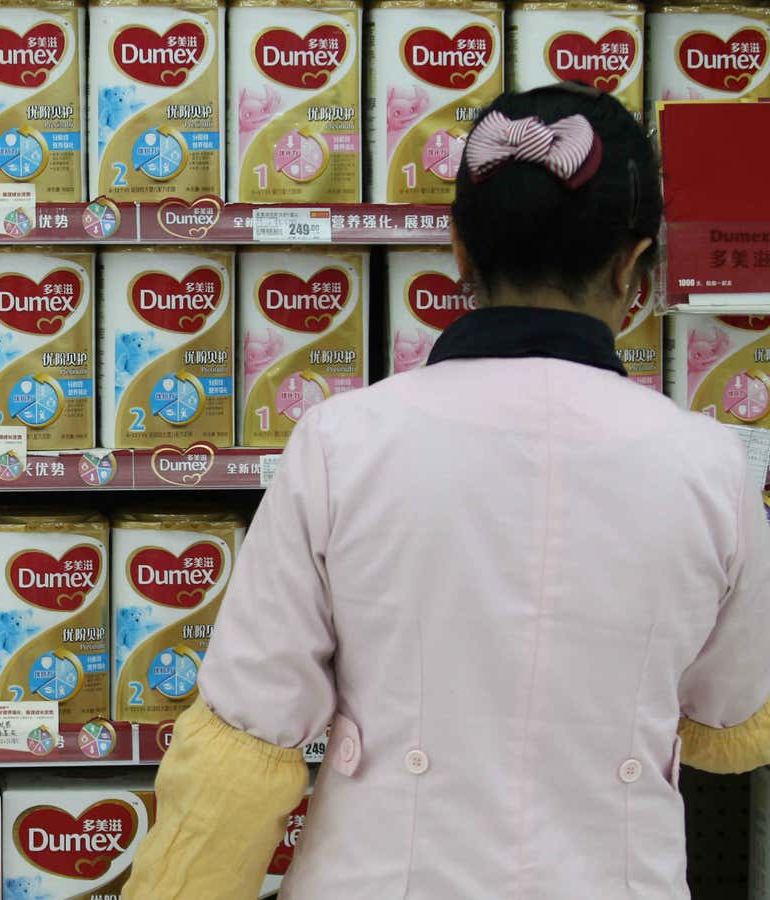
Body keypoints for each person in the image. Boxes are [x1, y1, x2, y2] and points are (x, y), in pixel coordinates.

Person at [124, 83, 770, 898]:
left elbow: (241, 751)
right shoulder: (712, 466)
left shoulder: (341, 443)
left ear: (459, 247)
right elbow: (730, 723)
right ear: (632, 263)